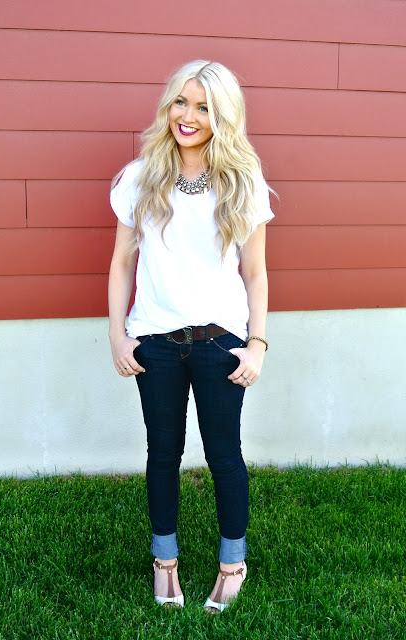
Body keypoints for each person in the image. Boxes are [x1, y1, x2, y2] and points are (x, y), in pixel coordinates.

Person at [108, 60, 275, 613]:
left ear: (223, 115)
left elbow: (255, 273)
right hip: (154, 342)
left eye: (204, 107)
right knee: (163, 453)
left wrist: (257, 344)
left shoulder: (242, 182)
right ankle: (165, 562)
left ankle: (232, 564)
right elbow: (122, 263)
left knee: (224, 455)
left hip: (220, 342)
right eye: (181, 101)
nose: (188, 115)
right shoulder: (140, 177)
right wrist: (117, 335)